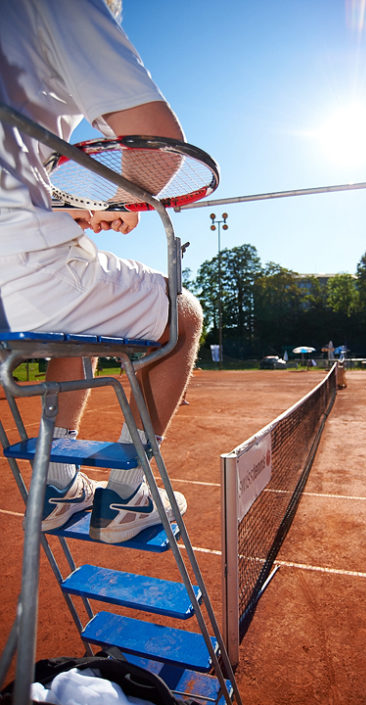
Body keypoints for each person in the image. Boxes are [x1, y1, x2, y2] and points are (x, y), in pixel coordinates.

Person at [0, 0, 203, 543]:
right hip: (25, 269)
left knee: (83, 325)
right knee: (182, 316)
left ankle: (58, 488)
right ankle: (129, 494)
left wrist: (80, 210)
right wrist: (124, 199)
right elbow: (157, 146)